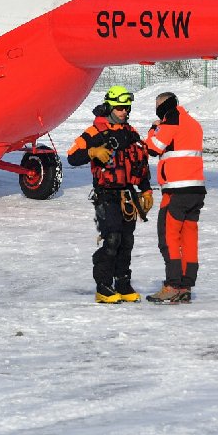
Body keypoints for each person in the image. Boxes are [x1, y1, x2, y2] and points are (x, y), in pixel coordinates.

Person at [67, 85, 153, 303]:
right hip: (106, 195)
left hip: (128, 196)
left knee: (127, 241)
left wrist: (146, 189)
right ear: (109, 107)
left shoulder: (130, 132)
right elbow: (72, 156)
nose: (125, 111)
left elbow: (140, 163)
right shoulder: (94, 132)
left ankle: (123, 284)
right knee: (112, 239)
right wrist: (91, 151)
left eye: (127, 107)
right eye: (120, 107)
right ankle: (103, 286)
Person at [144, 92, 205, 304]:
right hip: (196, 190)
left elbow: (153, 148)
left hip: (176, 191)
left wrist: (154, 128)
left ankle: (172, 285)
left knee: (169, 238)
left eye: (157, 105)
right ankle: (186, 286)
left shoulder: (171, 121)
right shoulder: (193, 123)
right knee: (189, 239)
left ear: (165, 105)